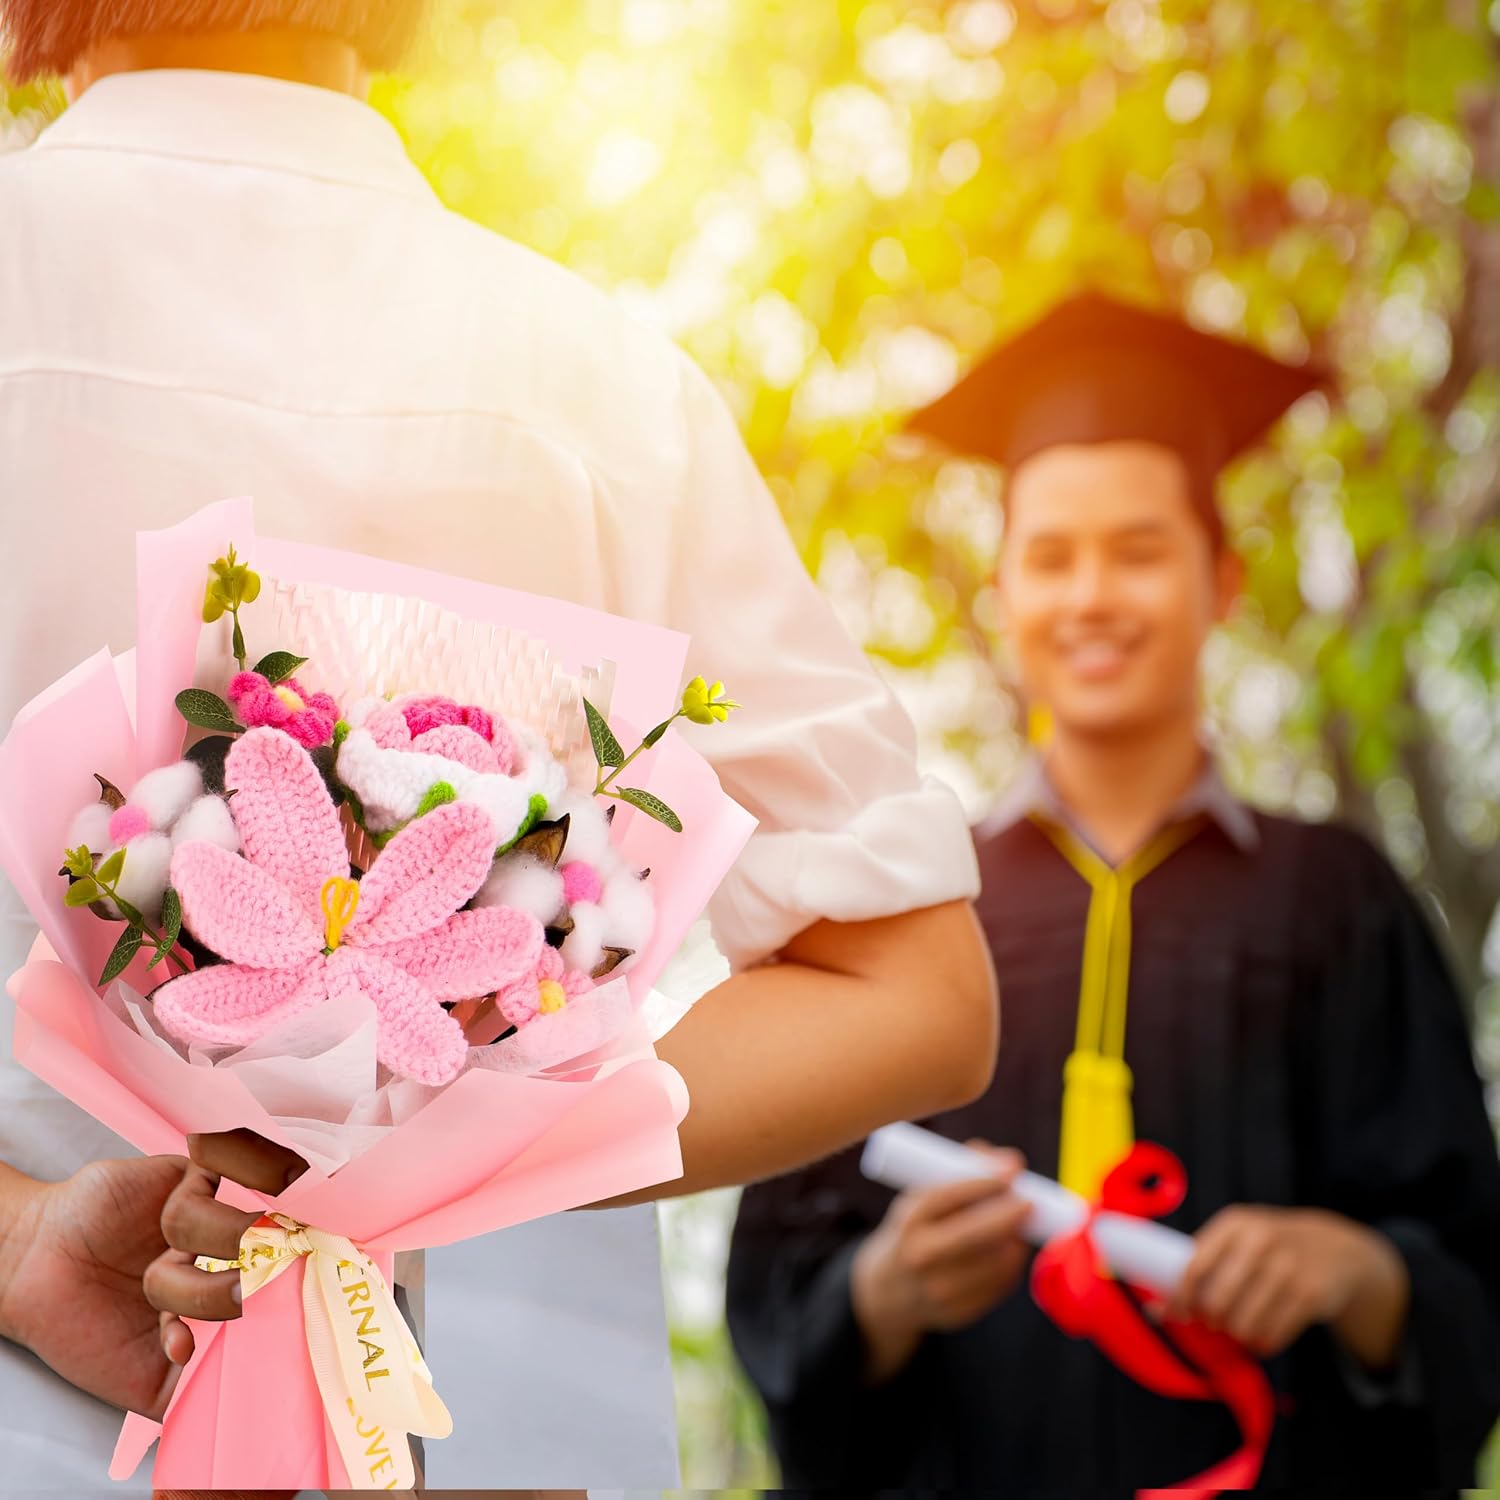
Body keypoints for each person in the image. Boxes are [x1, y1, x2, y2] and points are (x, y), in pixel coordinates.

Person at [0, 1, 998, 1486]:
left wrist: (25, 1233)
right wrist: (445, 1149)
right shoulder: (606, 388)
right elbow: (916, 989)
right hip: (493, 1428)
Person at [727, 292, 1500, 1492]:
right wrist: (884, 1292)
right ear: (1003, 590)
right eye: (1051, 557)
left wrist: (1358, 1274)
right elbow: (780, 1295)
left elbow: (1468, 1276)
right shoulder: (899, 913)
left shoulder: (1340, 903)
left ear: (1224, 581)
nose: (1091, 596)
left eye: (1138, 551)